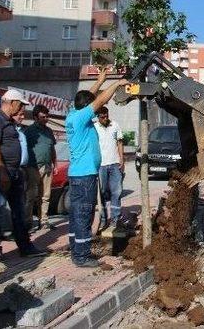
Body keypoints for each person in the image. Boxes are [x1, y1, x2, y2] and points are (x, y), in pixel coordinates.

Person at [66, 69, 128, 267]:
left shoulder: (73, 114)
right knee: (85, 214)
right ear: (86, 109)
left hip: (77, 175)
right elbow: (98, 101)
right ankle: (82, 256)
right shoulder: (81, 117)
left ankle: (75, 249)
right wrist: (116, 83)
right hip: (85, 177)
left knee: (76, 214)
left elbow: (87, 98)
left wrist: (100, 80)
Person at [0, 89, 46, 260]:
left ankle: (25, 247)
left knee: (18, 212)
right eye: (19, 104)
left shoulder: (9, 121)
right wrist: (2, 172)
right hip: (2, 173)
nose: (21, 108)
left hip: (15, 172)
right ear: (11, 102)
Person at [24, 104, 57, 231]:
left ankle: (43, 221)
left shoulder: (49, 131)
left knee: (45, 196)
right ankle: (28, 223)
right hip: (33, 167)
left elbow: (52, 148)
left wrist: (55, 164)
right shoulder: (29, 131)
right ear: (35, 117)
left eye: (47, 116)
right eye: (43, 117)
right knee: (31, 196)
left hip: (47, 166)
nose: (46, 119)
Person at [94, 106, 124, 230]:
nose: (105, 118)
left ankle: (116, 219)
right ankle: (103, 219)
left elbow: (120, 143)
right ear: (98, 117)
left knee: (116, 192)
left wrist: (121, 159)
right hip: (101, 165)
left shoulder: (115, 125)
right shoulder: (94, 128)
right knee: (101, 193)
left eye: (106, 116)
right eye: (102, 117)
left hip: (114, 164)